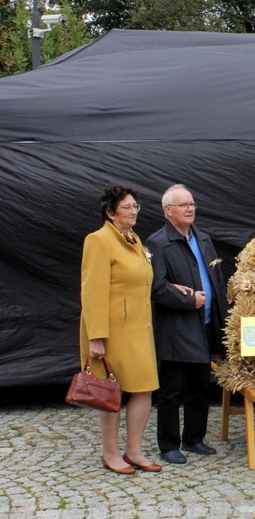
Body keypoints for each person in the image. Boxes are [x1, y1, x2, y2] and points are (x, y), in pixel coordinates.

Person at [79, 184, 161, 474]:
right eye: (126, 207)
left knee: (144, 388)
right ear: (111, 212)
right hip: (111, 331)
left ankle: (134, 450)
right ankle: (110, 453)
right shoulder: (99, 240)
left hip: (139, 327)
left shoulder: (134, 239)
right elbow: (92, 292)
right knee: (110, 393)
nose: (132, 212)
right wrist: (96, 338)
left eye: (135, 207)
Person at [146, 184, 227, 465]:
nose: (190, 209)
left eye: (192, 203)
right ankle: (168, 444)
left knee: (200, 385)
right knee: (171, 389)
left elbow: (216, 279)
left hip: (204, 325)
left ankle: (194, 438)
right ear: (168, 211)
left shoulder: (203, 239)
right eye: (183, 205)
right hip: (176, 328)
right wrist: (189, 299)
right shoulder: (158, 243)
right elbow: (155, 288)